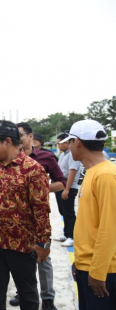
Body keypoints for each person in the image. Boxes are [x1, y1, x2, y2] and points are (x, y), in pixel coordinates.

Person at [0, 115, 51, 310]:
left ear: (8, 141)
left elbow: (41, 209)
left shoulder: (33, 169)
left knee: (27, 292)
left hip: (21, 244)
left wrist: (44, 242)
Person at [63, 120, 116, 310]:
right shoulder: (93, 172)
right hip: (89, 266)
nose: (68, 147)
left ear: (77, 142)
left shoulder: (106, 176)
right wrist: (80, 261)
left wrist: (98, 271)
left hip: (103, 272)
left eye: (69, 142)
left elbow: (109, 228)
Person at [53, 133, 82, 247]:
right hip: (60, 184)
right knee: (63, 211)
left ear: (66, 143)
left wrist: (67, 189)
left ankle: (72, 236)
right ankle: (66, 234)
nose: (58, 145)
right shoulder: (63, 155)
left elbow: (72, 172)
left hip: (68, 185)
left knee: (69, 212)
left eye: (59, 143)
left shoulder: (72, 155)